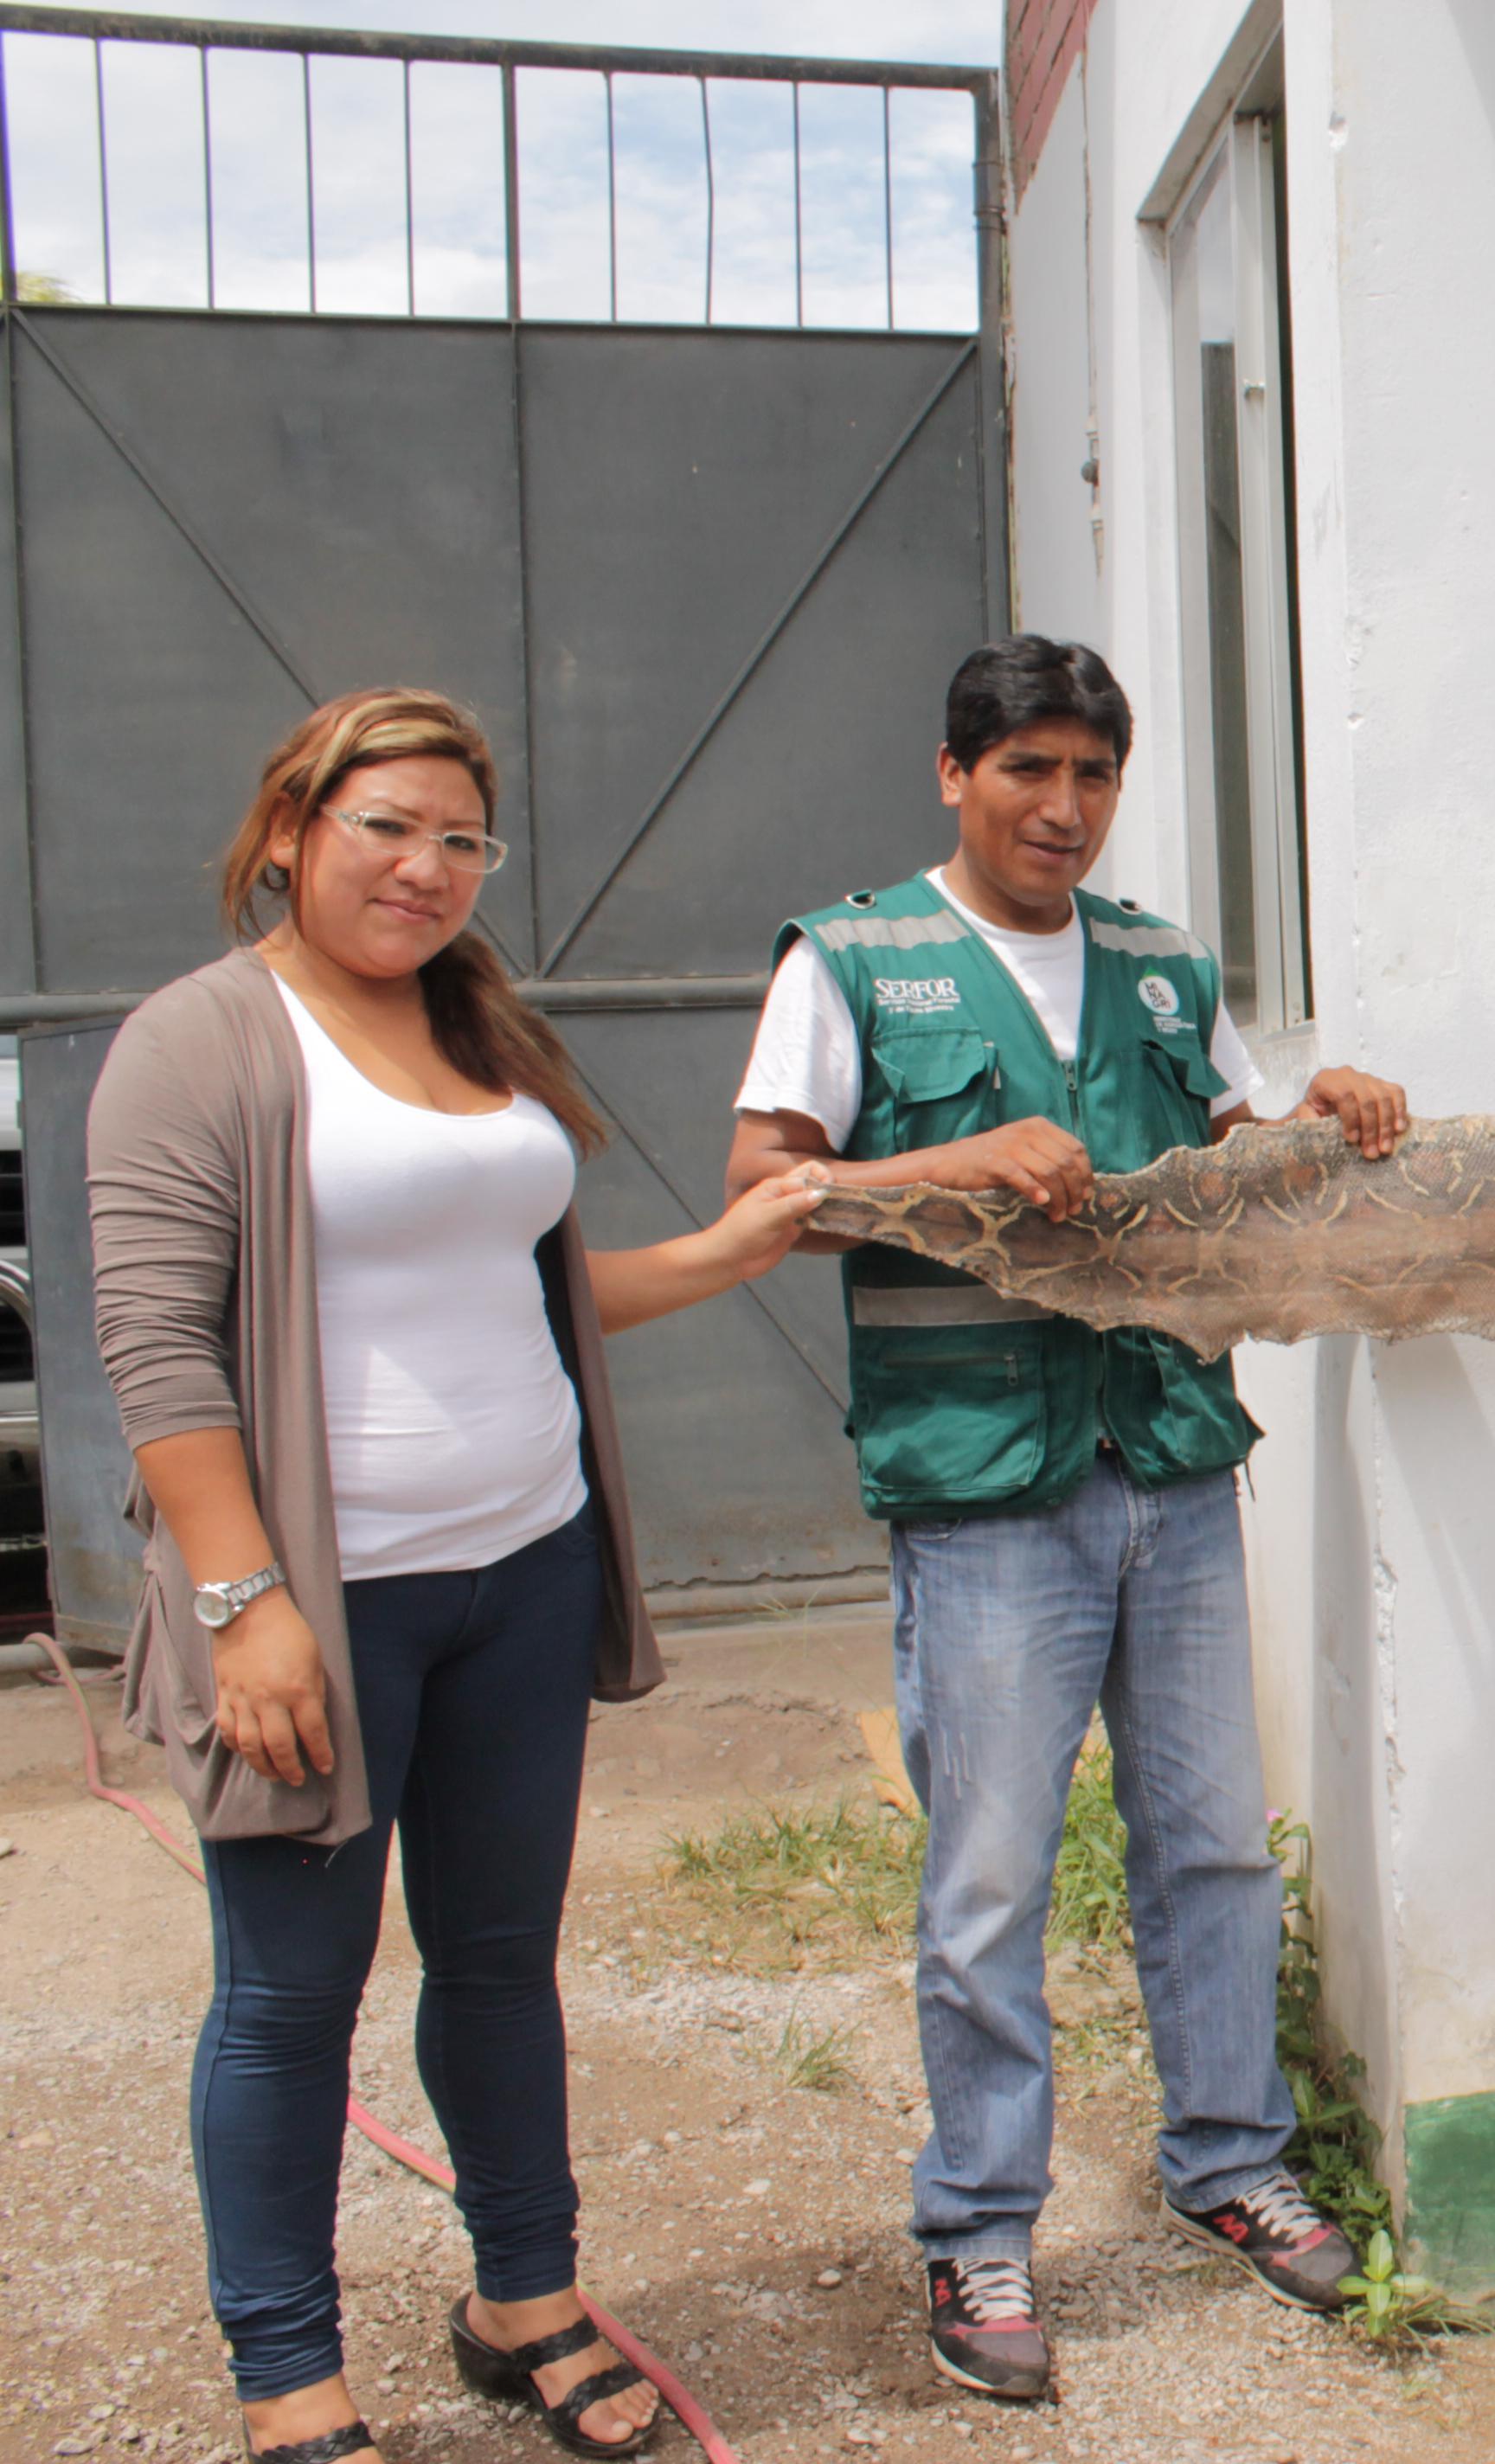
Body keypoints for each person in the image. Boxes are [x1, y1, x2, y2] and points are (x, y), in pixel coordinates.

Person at [90, 688, 831, 2464]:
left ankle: (525, 2298)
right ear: (292, 829)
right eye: (386, 827)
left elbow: (541, 1291)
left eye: (460, 840)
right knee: (291, 1997)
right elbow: (157, 1348)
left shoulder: (475, 1024)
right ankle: (291, 2381)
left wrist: (730, 1252)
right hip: (326, 1606)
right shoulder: (202, 1039)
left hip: (525, 1570)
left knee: (500, 1963)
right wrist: (243, 1605)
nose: (424, 868)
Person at [723, 636, 1408, 2403]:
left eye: (1094, 773)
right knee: (989, 1875)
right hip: (985, 1494)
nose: (1065, 805)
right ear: (954, 774)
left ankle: (1231, 2161)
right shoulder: (854, 960)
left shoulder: (1165, 968)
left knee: (1214, 1844)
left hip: (1167, 1464)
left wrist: (1320, 1116)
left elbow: (1236, 1163)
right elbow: (766, 1197)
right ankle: (979, 2225)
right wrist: (942, 1161)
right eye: (1027, 767)